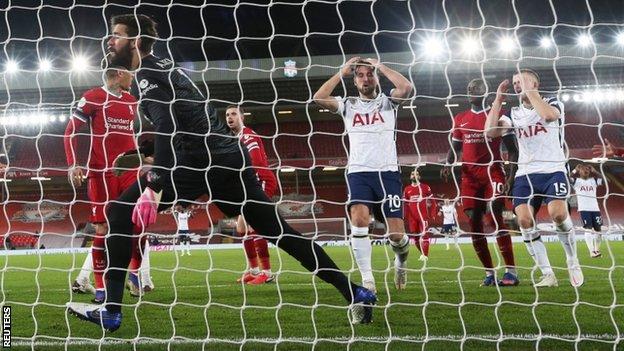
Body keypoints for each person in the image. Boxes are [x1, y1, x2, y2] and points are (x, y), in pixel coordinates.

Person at [67, 14, 376, 331]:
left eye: (116, 35)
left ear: (135, 41)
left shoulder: (146, 73)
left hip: (199, 160)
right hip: (231, 159)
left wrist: (155, 184)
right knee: (281, 234)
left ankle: (111, 311)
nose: (110, 40)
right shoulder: (166, 67)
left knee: (118, 214)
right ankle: (356, 292)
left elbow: (166, 124)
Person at [313, 56, 413, 293]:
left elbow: (406, 88)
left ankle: (401, 262)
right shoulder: (347, 105)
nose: (366, 78)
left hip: (388, 173)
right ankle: (368, 279)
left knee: (396, 235)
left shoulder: (389, 102)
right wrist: (342, 71)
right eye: (360, 75)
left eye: (370, 74)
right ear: (355, 81)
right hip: (359, 172)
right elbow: (318, 97)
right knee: (359, 220)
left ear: (376, 77)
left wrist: (379, 65)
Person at [485, 69, 583, 288]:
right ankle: (548, 274)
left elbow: (548, 116)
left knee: (558, 215)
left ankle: (572, 258)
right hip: (525, 174)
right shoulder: (513, 113)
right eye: (514, 82)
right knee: (524, 221)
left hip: (553, 171)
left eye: (521, 81)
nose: (516, 84)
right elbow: (490, 132)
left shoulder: (553, 103)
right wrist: (498, 100)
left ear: (534, 83)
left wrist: (532, 93)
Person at [64, 65, 141, 303]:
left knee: (138, 223)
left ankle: (135, 274)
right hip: (101, 173)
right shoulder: (92, 97)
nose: (134, 77)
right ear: (119, 73)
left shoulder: (132, 100)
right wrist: (73, 163)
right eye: (131, 73)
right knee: (102, 230)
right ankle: (100, 288)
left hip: (129, 171)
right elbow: (69, 132)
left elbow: (131, 137)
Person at [441, 78, 519, 287]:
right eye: (469, 87)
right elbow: (455, 147)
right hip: (469, 177)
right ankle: (489, 273)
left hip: (493, 172)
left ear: (486, 92)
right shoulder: (460, 118)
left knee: (495, 214)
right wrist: (448, 163)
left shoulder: (499, 116)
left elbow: (512, 149)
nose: (471, 89)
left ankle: (511, 271)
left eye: (477, 87)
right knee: (474, 223)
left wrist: (511, 175)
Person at [226, 105, 277, 285]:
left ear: (242, 117)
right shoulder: (235, 138)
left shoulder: (248, 136)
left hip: (260, 181)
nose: (229, 117)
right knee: (242, 229)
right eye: (227, 115)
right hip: (248, 185)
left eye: (233, 114)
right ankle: (254, 269)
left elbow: (254, 163)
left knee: (255, 226)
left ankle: (267, 272)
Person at [571, 164, 605, 258]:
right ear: (579, 171)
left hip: (595, 209)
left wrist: (595, 171)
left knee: (598, 230)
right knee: (588, 229)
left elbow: (602, 179)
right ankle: (591, 252)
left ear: (590, 172)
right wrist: (574, 170)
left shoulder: (593, 181)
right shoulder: (576, 181)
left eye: (587, 169)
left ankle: (597, 250)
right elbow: (567, 178)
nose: (585, 170)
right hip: (584, 209)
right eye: (583, 169)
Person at [403, 169, 437, 261]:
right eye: (412, 174)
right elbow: (405, 204)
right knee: (416, 237)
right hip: (412, 218)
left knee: (424, 235)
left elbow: (433, 201)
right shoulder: (407, 189)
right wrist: (404, 216)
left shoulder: (425, 187)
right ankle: (422, 254)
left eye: (417, 174)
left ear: (419, 177)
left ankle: (425, 255)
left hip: (423, 216)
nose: (414, 176)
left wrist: (433, 213)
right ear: (410, 177)